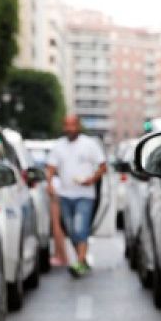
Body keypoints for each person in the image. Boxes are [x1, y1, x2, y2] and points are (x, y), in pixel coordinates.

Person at [45, 115, 107, 277]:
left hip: (85, 195)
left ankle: (79, 262)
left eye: (72, 125)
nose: (70, 129)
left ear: (78, 126)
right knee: (72, 231)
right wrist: (49, 184)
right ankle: (82, 259)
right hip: (65, 194)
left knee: (81, 228)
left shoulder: (89, 144)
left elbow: (102, 167)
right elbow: (50, 167)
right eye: (67, 125)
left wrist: (91, 179)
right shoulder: (58, 146)